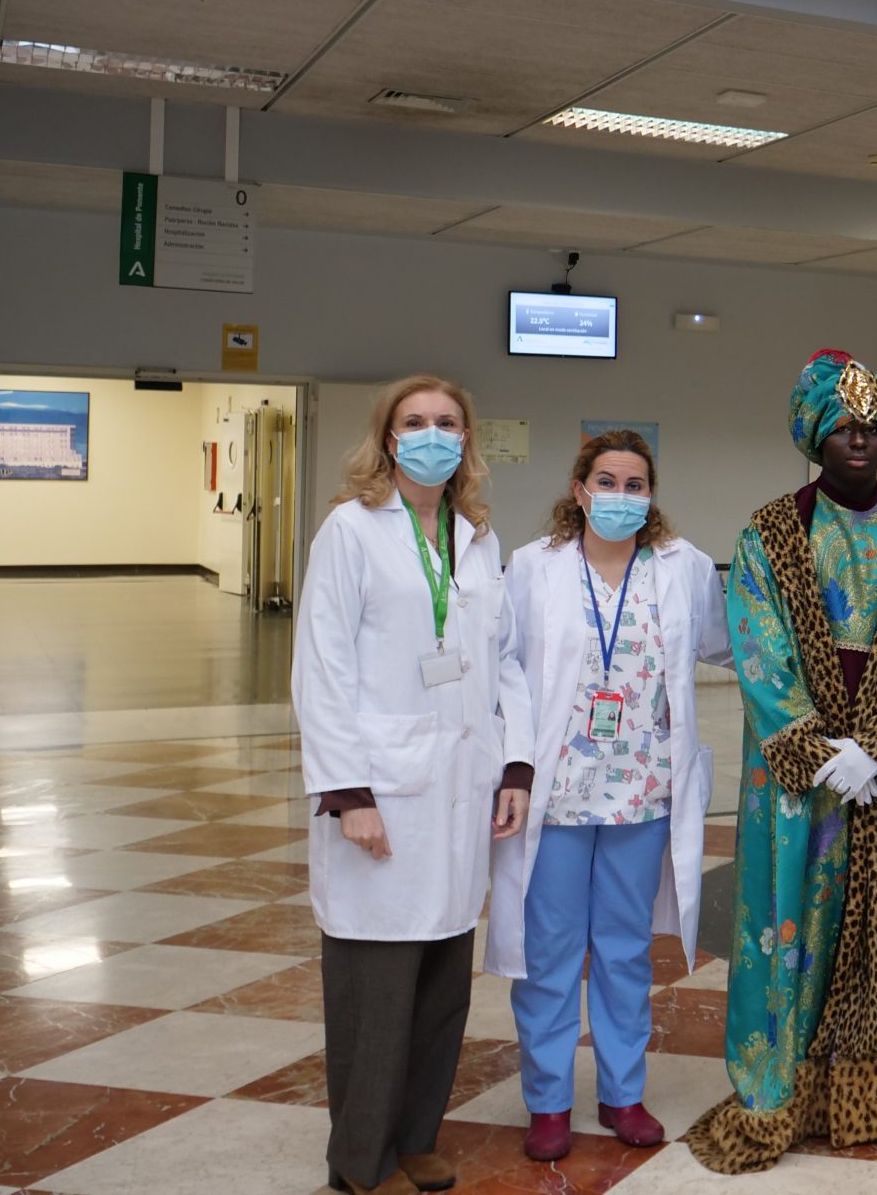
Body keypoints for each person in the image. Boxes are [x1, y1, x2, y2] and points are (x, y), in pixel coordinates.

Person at [684, 351, 877, 1172]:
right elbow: (758, 647)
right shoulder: (767, 533)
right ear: (814, 438)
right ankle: (779, 1090)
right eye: (843, 430)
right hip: (793, 774)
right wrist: (813, 743)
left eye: (872, 429)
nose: (860, 443)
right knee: (786, 921)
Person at [294, 374, 529, 1195]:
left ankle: (417, 1136)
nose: (433, 434)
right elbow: (321, 671)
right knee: (375, 997)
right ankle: (359, 1162)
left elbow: (497, 665)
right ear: (389, 439)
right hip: (381, 793)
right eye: (416, 422)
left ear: (468, 440)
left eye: (449, 422)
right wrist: (348, 795)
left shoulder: (475, 536)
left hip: (461, 789)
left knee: (440, 988)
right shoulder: (351, 531)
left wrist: (512, 769)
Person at [489, 429, 728, 1162]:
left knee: (625, 951)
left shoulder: (682, 568)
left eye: (635, 483)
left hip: (643, 788)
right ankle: (549, 1102)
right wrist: (515, 770)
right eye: (607, 481)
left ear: (650, 493)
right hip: (557, 792)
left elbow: (725, 646)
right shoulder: (534, 568)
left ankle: (624, 1093)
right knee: (551, 951)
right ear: (578, 487)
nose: (620, 496)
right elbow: (505, 668)